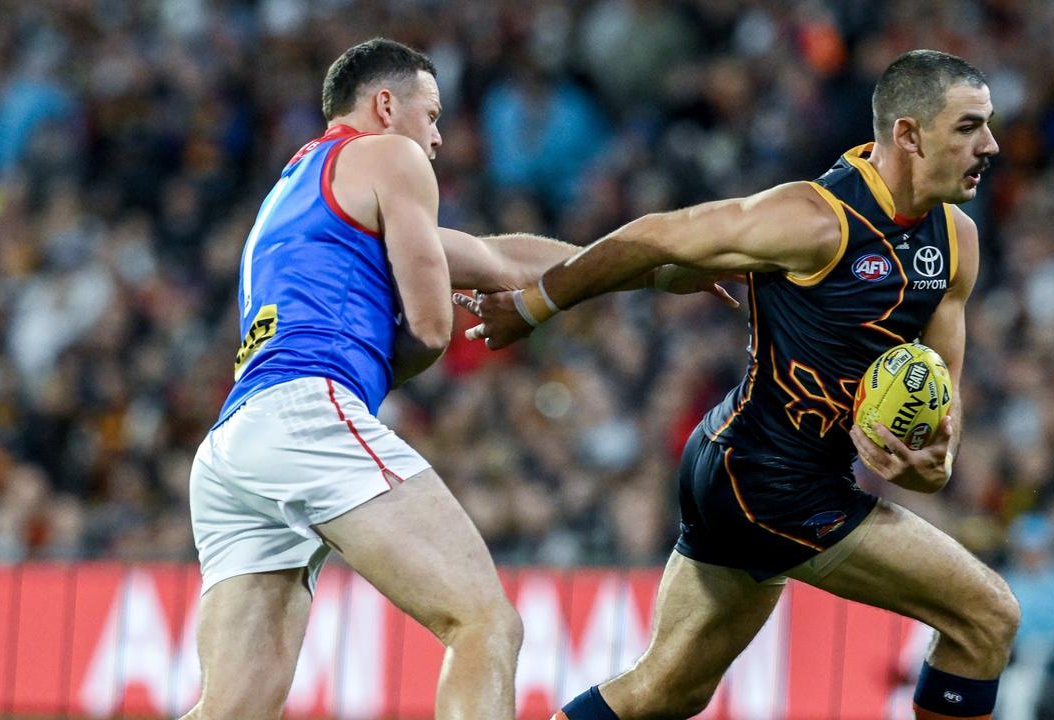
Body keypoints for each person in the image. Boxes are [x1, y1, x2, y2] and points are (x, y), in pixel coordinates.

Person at [458, 49, 1019, 720]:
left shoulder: (956, 244)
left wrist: (928, 459)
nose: (989, 145)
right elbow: (656, 238)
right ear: (908, 134)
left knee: (667, 690)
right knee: (986, 616)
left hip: (750, 467)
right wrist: (533, 307)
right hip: (765, 478)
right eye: (968, 127)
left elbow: (935, 451)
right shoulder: (815, 219)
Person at [181, 38, 729, 720]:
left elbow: (495, 258)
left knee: (230, 710)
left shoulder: (297, 195)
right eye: (432, 114)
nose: (437, 138)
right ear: (385, 105)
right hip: (306, 411)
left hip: (236, 445)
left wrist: (653, 271)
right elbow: (434, 328)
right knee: (485, 625)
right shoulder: (389, 155)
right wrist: (465, 321)